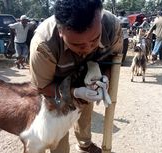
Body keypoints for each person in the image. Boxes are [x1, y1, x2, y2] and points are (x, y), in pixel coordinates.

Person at [29, 0, 123, 153]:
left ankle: (84, 144)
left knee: (86, 105)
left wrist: (104, 78)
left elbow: (115, 61)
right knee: (57, 122)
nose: (87, 49)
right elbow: (42, 87)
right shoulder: (43, 46)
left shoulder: (112, 27)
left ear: (100, 19)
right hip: (56, 85)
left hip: (88, 76)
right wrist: (74, 92)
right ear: (60, 32)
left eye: (94, 40)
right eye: (77, 45)